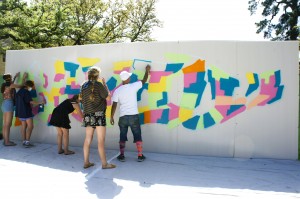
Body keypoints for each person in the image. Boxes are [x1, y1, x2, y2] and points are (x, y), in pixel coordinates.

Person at [110, 64, 151, 162]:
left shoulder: (117, 91)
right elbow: (144, 80)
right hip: (134, 116)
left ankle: (122, 155)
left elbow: (114, 105)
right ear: (127, 78)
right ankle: (140, 155)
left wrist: (111, 117)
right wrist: (147, 71)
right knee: (137, 135)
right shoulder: (133, 86)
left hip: (123, 117)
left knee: (122, 136)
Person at [80, 66, 116, 169]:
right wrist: (105, 85)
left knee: (87, 139)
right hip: (99, 115)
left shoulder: (84, 86)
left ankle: (86, 162)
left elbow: (82, 100)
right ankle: (104, 164)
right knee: (100, 141)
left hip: (88, 115)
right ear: (97, 76)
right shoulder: (99, 85)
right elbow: (108, 98)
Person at [15, 80, 45, 148]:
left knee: (23, 126)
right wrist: (40, 102)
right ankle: (27, 142)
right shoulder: (26, 92)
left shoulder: (20, 91)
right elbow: (31, 102)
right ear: (29, 86)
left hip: (20, 111)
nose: (31, 88)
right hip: (26, 111)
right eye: (31, 87)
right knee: (31, 126)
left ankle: (24, 141)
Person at [1, 72, 27, 146]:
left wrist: (15, 76)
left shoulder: (4, 85)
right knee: (8, 124)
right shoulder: (11, 85)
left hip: (4, 104)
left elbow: (11, 83)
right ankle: (7, 142)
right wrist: (24, 78)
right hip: (9, 104)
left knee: (5, 124)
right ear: (9, 78)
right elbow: (21, 86)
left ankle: (5, 140)